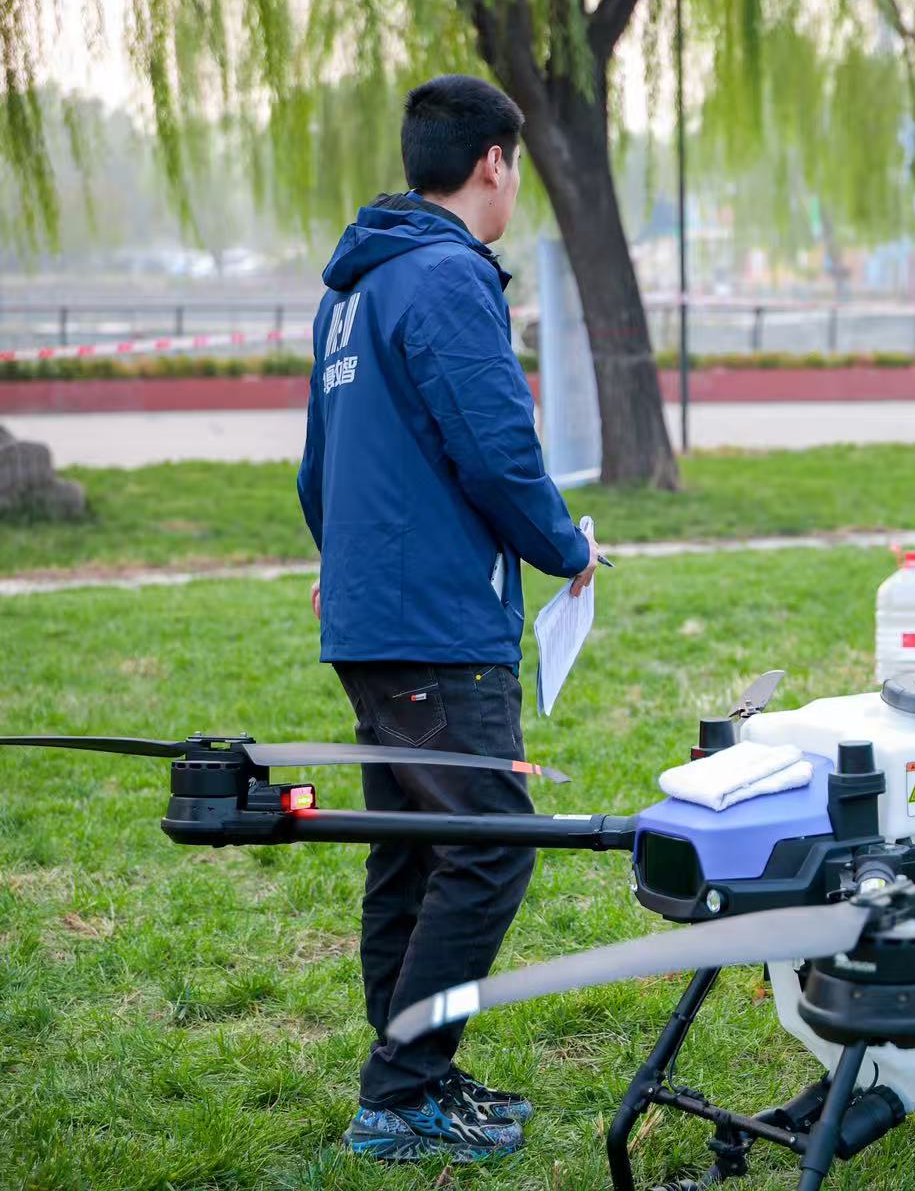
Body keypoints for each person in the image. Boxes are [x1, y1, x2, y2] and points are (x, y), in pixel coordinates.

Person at [296, 74, 598, 1163]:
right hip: (435, 621)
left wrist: (342, 562)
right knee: (489, 846)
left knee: (415, 851)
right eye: (514, 166)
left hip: (374, 616)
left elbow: (316, 469)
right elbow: (497, 449)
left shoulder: (354, 289)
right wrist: (568, 546)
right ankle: (401, 1088)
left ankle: (416, 1072)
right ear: (493, 164)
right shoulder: (447, 278)